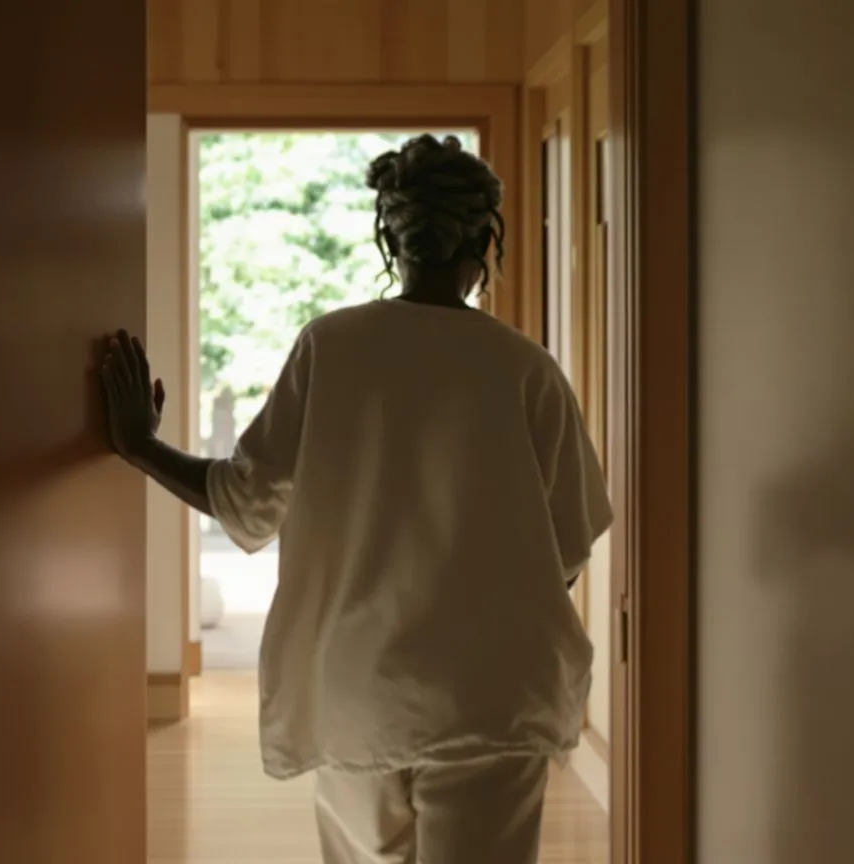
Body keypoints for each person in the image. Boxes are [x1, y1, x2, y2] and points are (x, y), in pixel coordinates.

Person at [97, 134, 613, 864]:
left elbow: (244, 503)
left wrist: (138, 445)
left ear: (388, 235)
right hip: (493, 692)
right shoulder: (525, 369)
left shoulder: (329, 349)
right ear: (485, 239)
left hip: (358, 690)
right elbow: (565, 550)